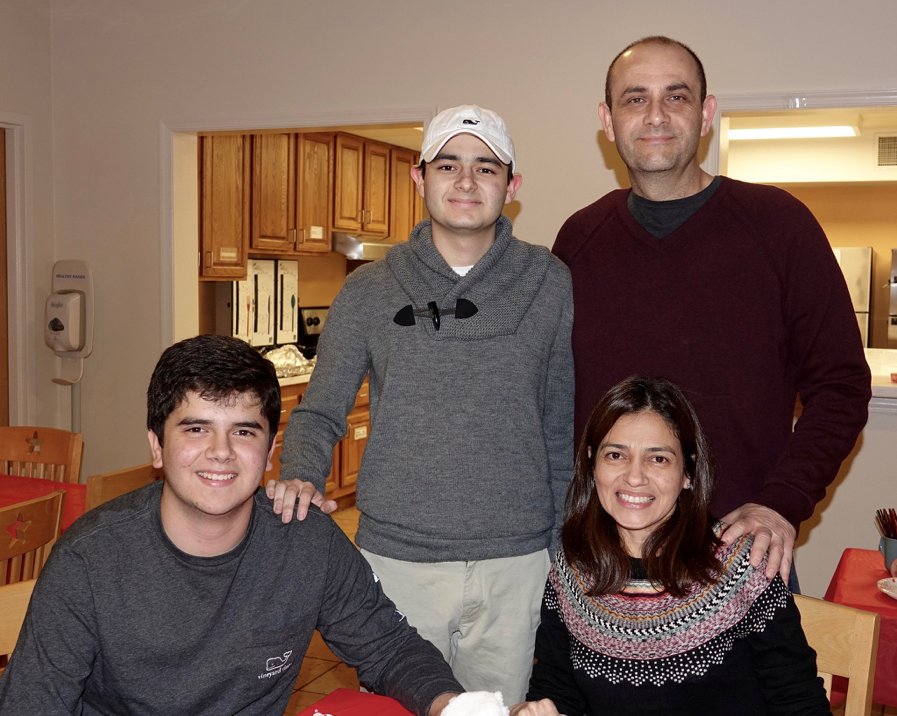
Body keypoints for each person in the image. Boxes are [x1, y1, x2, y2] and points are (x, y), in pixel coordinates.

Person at [268, 104, 575, 704]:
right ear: (421, 177)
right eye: (449, 165)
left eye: (486, 168)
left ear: (512, 187)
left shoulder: (549, 281)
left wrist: (564, 545)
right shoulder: (368, 291)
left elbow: (557, 424)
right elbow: (320, 408)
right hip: (397, 561)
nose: (466, 182)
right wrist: (300, 473)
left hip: (515, 562)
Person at [0, 334, 463, 716]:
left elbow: (390, 647)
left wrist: (462, 708)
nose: (221, 452)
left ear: (268, 449)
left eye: (243, 431)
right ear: (157, 446)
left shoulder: (305, 540)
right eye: (196, 429)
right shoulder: (90, 560)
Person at [553, 36, 871, 588]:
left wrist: (782, 502)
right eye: (634, 99)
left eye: (676, 97)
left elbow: (841, 386)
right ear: (607, 120)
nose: (655, 115)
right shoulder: (579, 239)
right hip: (601, 559)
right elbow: (548, 396)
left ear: (706, 114)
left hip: (737, 555)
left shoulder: (780, 227)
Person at [511, 376, 831, 716]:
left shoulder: (742, 566)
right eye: (616, 454)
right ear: (592, 464)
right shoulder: (572, 569)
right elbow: (556, 690)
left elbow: (799, 703)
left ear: (688, 472)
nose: (635, 477)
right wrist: (530, 711)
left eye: (658, 459)